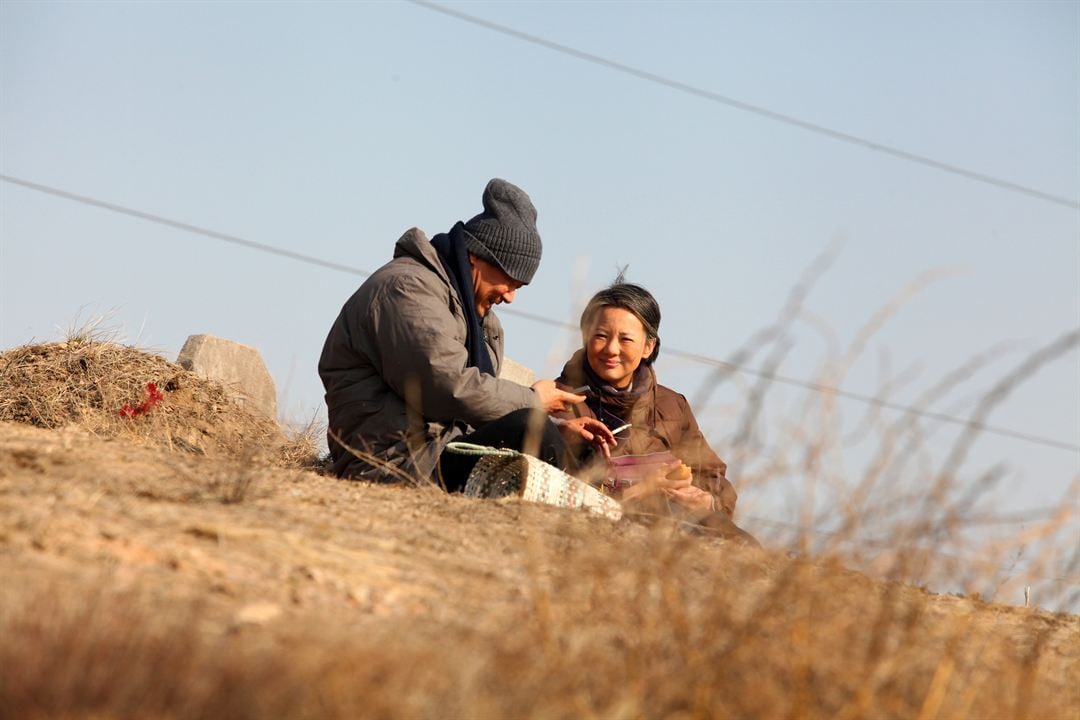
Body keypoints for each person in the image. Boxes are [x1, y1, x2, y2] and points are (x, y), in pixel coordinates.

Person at [318, 179, 614, 490]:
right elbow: (446, 387)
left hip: (441, 451)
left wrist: (558, 428)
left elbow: (473, 409)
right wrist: (533, 402)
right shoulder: (408, 289)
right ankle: (588, 513)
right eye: (511, 281)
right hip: (394, 463)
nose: (511, 297)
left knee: (571, 446)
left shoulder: (476, 314)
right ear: (476, 256)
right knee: (529, 425)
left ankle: (605, 512)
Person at [552, 281, 755, 542]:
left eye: (625, 339)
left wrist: (707, 500)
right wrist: (646, 489)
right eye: (601, 335)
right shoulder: (562, 401)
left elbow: (712, 474)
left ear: (648, 346)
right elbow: (566, 487)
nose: (611, 349)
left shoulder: (673, 406)